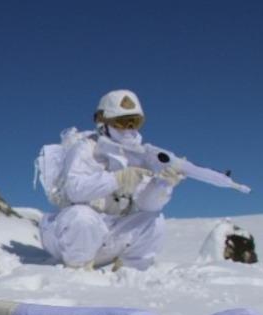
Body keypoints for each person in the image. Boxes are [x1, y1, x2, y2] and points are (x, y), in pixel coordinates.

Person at [36, 89, 182, 270]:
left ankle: (131, 273)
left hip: (110, 234)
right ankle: (77, 272)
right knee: (82, 217)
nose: (129, 128)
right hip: (72, 237)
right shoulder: (84, 148)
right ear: (102, 122)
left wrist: (162, 185)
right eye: (121, 122)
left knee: (155, 220)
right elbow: (74, 190)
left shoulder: (140, 156)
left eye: (135, 122)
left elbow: (147, 206)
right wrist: (117, 179)